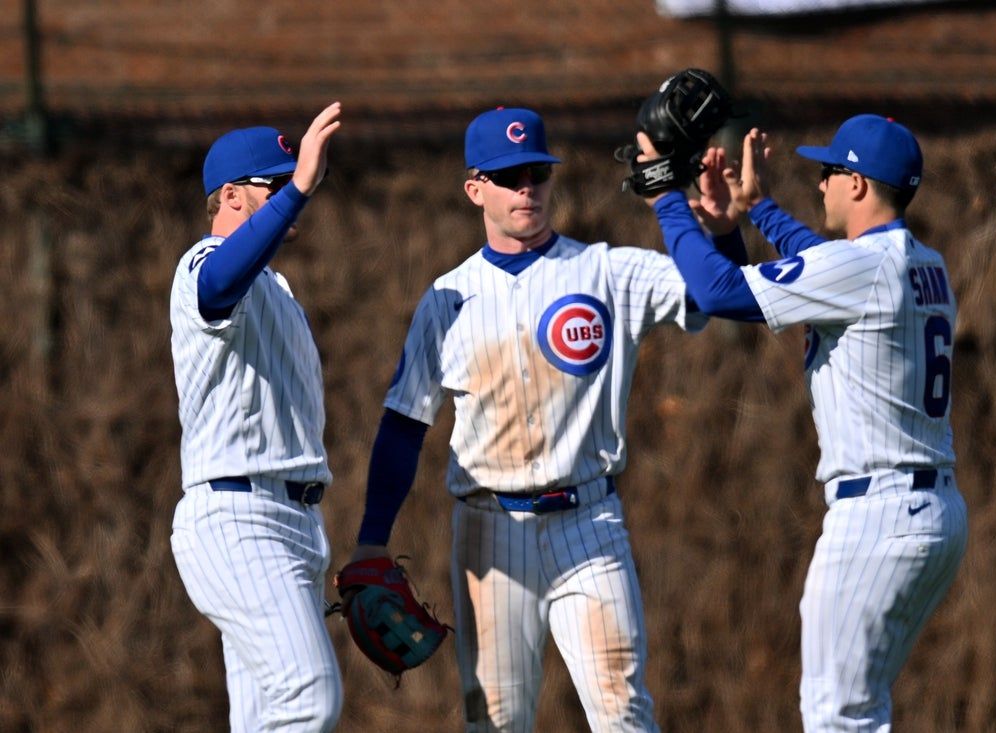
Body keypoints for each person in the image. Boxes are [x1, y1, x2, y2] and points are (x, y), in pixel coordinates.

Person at [342, 106, 745, 732]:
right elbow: (404, 424)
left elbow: (718, 293)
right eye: (509, 177)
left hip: (590, 527)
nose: (526, 187)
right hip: (489, 530)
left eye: (537, 172)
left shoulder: (606, 270)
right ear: (475, 189)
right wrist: (372, 536)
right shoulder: (447, 299)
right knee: (495, 722)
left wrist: (721, 232)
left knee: (623, 712)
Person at [639, 114, 969, 731]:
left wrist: (666, 199)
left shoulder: (860, 270)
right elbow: (824, 264)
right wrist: (758, 210)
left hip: (878, 515)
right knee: (858, 709)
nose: (820, 184)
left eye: (830, 172)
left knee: (836, 716)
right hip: (930, 511)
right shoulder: (924, 262)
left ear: (858, 184)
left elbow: (717, 292)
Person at [169, 103, 343, 732]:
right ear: (232, 195)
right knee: (309, 697)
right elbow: (219, 283)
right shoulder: (202, 261)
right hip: (238, 518)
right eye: (275, 183)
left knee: (264, 717)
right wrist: (298, 190)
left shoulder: (279, 289)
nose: (293, 192)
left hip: (295, 524)